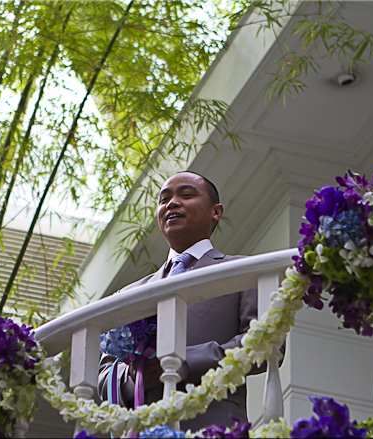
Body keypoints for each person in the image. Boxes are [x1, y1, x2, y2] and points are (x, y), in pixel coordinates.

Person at [98, 171, 273, 431]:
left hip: (212, 429)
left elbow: (265, 346)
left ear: (216, 212)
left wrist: (183, 360)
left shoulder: (244, 271)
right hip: (143, 430)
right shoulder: (130, 293)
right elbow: (104, 375)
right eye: (164, 199)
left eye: (187, 195)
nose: (172, 203)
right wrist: (135, 377)